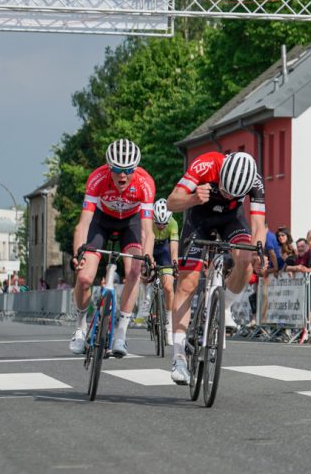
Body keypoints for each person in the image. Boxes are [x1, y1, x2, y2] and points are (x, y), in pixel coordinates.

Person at [166, 151, 266, 384]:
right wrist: (192, 198)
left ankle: (224, 309)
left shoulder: (255, 181)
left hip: (231, 219)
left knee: (246, 259)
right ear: (221, 172)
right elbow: (172, 201)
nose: (226, 194)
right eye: (223, 188)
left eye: (233, 193)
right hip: (198, 217)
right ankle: (179, 357)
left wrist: (258, 250)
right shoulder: (205, 164)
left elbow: (258, 223)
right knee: (188, 283)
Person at [68, 139, 155, 358]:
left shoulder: (145, 183)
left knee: (134, 269)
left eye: (128, 170)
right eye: (117, 170)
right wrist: (77, 253)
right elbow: (84, 223)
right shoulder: (97, 179)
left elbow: (147, 230)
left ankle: (121, 335)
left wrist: (148, 258)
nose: (122, 175)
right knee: (85, 277)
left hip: (130, 224)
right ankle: (80, 327)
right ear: (109, 167)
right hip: (101, 221)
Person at [151, 198, 179, 346]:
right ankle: (146, 300)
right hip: (150, 246)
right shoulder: (148, 221)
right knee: (143, 272)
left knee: (168, 286)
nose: (161, 226)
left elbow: (173, 247)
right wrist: (148, 262)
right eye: (158, 223)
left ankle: (169, 325)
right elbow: (145, 242)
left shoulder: (173, 223)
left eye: (164, 224)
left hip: (163, 250)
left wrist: (175, 265)